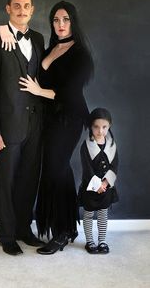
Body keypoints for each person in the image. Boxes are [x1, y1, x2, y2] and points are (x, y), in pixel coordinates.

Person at [0, 0, 94, 255]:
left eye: (65, 19)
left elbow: (72, 93)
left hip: (70, 119)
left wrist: (39, 90)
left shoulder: (80, 54)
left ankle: (64, 232)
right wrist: (3, 28)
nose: (60, 25)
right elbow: (20, 41)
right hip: (49, 119)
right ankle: (59, 229)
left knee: (57, 169)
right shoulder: (48, 46)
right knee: (52, 171)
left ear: (73, 22)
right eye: (56, 20)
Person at [0, 0, 45, 256]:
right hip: (6, 128)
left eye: (26, 5)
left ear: (33, 9)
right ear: (8, 9)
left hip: (35, 125)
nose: (21, 10)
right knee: (6, 181)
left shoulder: (39, 39)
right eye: (16, 6)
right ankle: (6, 235)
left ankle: (23, 229)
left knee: (29, 180)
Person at [78, 108, 118, 254]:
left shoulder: (112, 145)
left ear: (109, 126)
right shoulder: (86, 146)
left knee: (103, 213)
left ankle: (102, 241)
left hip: (106, 187)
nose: (100, 131)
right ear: (91, 126)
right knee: (88, 214)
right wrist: (97, 185)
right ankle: (90, 241)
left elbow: (114, 166)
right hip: (90, 187)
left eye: (104, 127)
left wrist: (105, 183)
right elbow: (87, 169)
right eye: (96, 127)